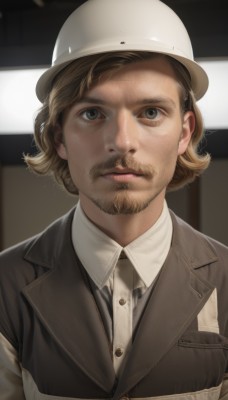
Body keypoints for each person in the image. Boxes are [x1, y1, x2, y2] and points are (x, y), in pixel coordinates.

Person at [1, 0, 228, 398]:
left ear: (184, 132)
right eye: (92, 113)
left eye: (151, 112)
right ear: (59, 137)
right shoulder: (4, 285)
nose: (122, 142)